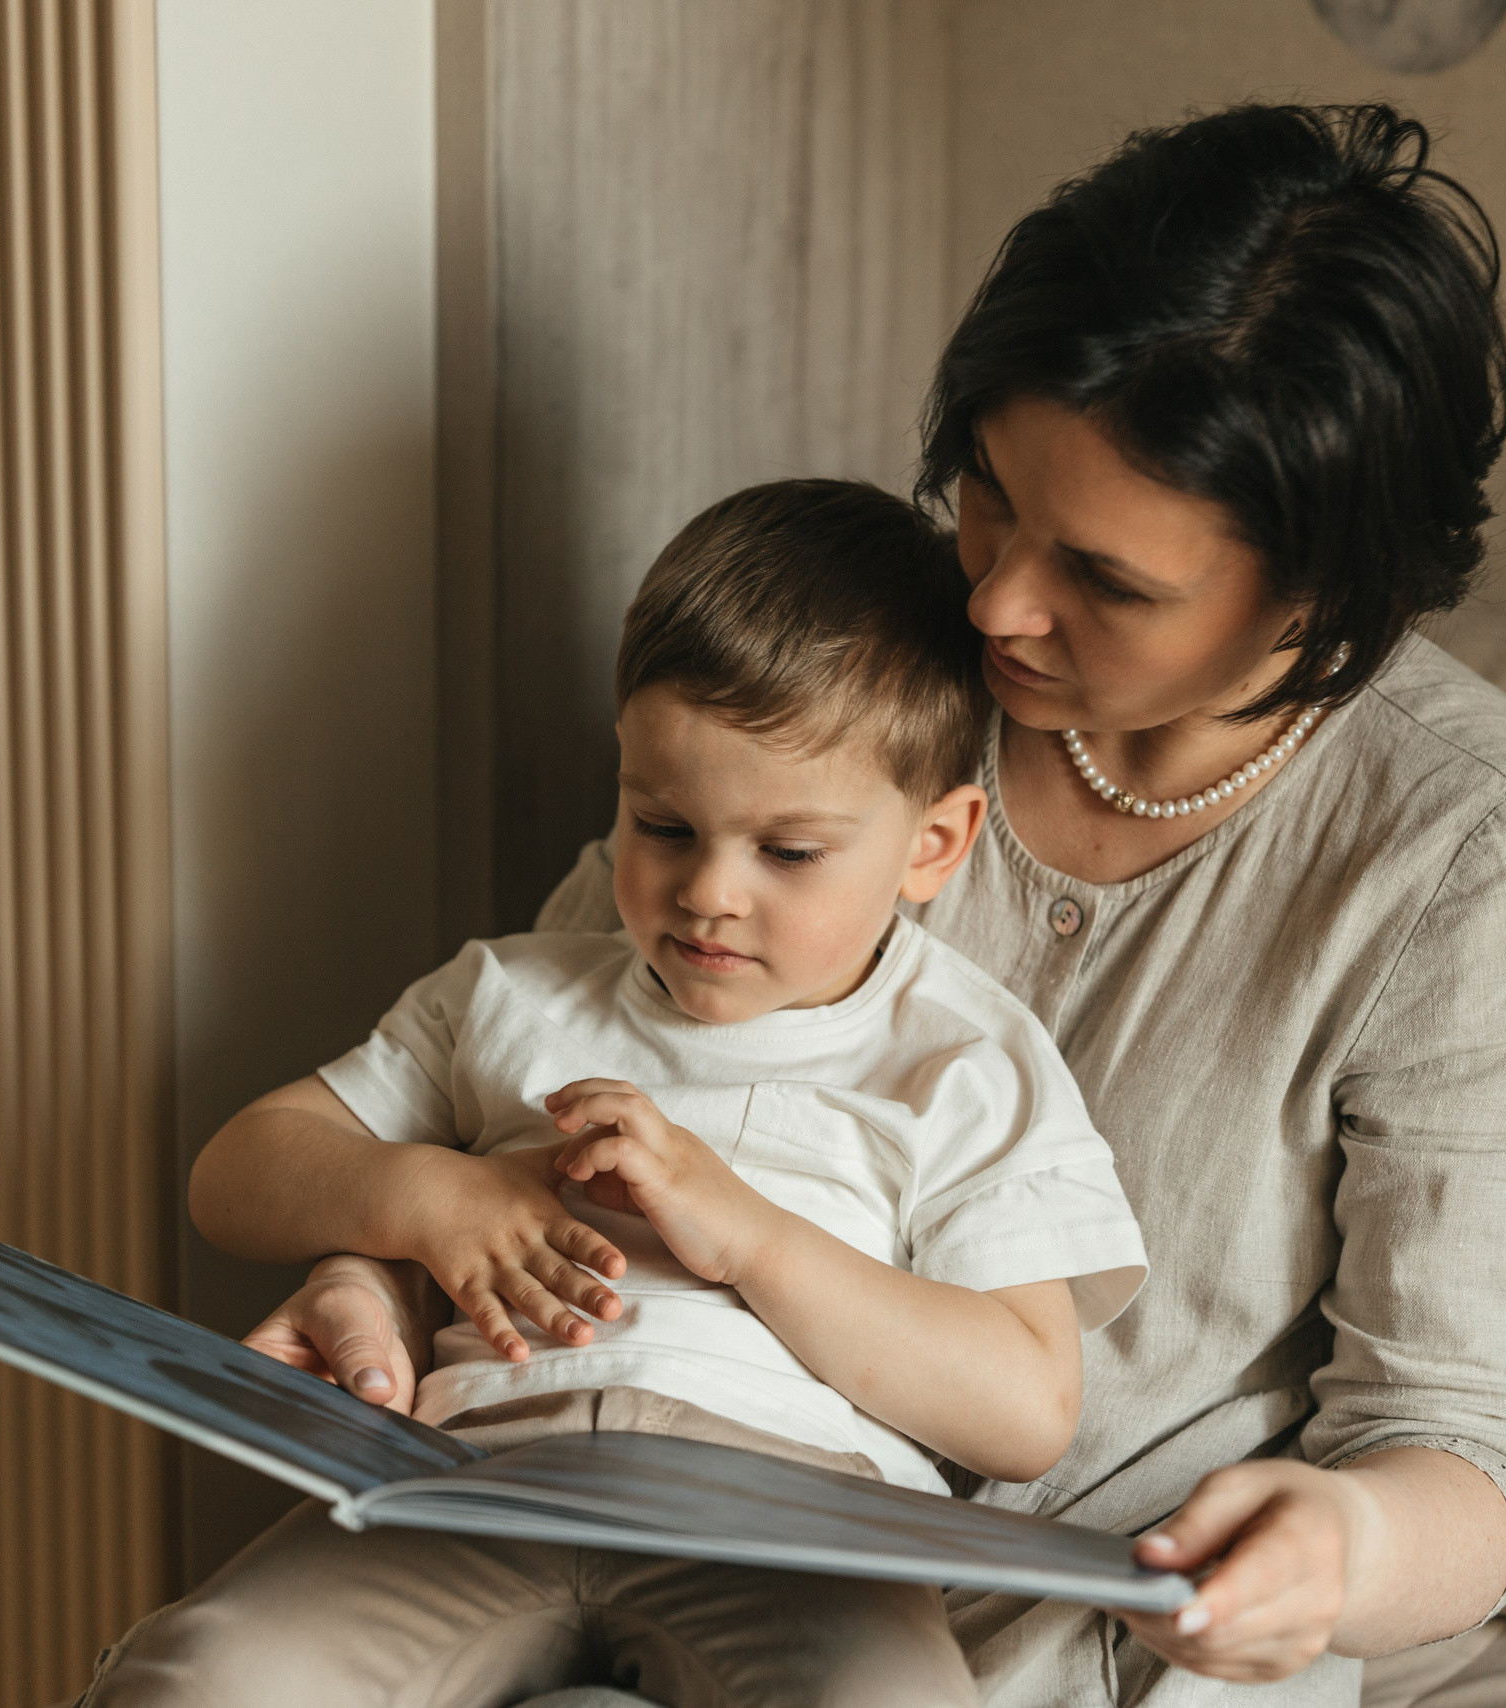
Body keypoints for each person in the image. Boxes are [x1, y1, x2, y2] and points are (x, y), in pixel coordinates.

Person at [237, 101, 1506, 1705]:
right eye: (985, 493)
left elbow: (1466, 1451)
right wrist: (381, 1269)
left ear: (1328, 591)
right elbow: (546, 1082)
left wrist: (1341, 1544)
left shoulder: (1466, 861)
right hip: (632, 1550)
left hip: (1080, 1651)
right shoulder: (863, 670)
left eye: (1108, 580)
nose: (993, 599)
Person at [78, 481, 1149, 1705]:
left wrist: (746, 1233)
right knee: (204, 1675)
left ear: (934, 845)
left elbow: (1025, 1408)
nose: (708, 892)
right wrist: (428, 1193)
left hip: (796, 1522)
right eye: (662, 823)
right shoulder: (512, 994)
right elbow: (236, 1174)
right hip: (469, 1474)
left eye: (787, 852)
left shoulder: (965, 1059)